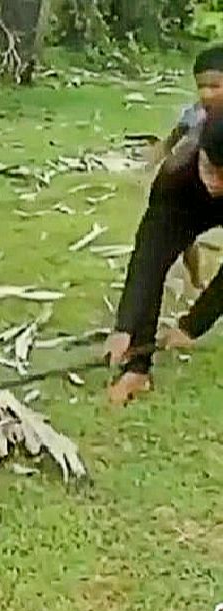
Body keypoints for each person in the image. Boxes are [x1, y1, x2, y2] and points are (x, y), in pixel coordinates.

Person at [104, 114, 223, 406]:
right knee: (153, 265)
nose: (216, 183)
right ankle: (137, 370)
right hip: (186, 207)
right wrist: (126, 325)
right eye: (211, 169)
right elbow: (148, 259)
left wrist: (193, 325)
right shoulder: (175, 175)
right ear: (200, 154)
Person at [147, 45, 223, 291]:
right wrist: (162, 154)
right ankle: (197, 277)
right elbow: (177, 137)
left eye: (214, 87)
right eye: (202, 87)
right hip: (194, 181)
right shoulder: (196, 114)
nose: (206, 94)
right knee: (185, 237)